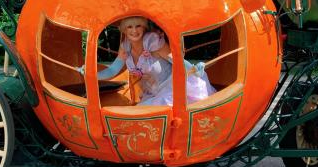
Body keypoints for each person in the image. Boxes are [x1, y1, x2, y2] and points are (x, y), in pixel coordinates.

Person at [79, 16, 216, 105]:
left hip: (174, 87)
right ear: (124, 30)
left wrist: (194, 69)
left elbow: (176, 60)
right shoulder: (125, 46)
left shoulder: (153, 41)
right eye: (129, 27)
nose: (134, 31)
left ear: (144, 27)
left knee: (145, 110)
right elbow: (113, 70)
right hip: (152, 93)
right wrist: (92, 74)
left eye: (138, 26)